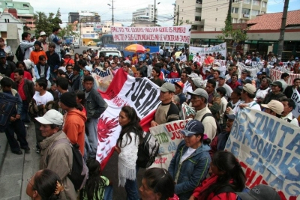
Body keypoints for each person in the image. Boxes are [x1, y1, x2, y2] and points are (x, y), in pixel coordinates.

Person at [36, 109, 77, 199]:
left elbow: (52, 180)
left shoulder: (59, 149)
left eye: (44, 126)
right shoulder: (54, 141)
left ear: (55, 129)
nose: (40, 128)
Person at [168, 120, 211, 200]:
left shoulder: (204, 158)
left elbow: (194, 183)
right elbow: (173, 163)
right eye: (184, 135)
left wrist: (174, 189)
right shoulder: (182, 145)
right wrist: (170, 180)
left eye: (189, 136)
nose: (185, 138)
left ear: (199, 137)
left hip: (185, 196)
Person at [115, 106, 143, 200]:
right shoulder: (129, 128)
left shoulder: (130, 134)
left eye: (122, 117)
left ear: (129, 119)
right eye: (119, 116)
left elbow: (127, 156)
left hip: (130, 166)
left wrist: (118, 151)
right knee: (129, 187)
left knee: (131, 188)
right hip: (131, 165)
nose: (119, 119)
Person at [0, 77, 30, 154]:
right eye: (8, 87)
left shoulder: (14, 92)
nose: (10, 88)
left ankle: (24, 145)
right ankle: (15, 148)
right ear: (3, 87)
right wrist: (8, 117)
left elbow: (19, 102)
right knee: (10, 134)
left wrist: (18, 113)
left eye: (10, 86)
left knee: (21, 132)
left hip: (16, 115)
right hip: (6, 118)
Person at [84, 76, 107, 158]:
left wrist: (94, 114)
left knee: (92, 138)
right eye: (87, 84)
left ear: (93, 84)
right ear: (84, 84)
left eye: (90, 84)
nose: (88, 86)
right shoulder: (84, 92)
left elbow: (104, 106)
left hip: (92, 119)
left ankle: (94, 156)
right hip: (86, 119)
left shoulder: (94, 93)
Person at [33, 78, 54, 153]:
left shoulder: (49, 96)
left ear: (41, 87)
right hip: (37, 118)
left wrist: (39, 108)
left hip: (46, 119)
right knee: (38, 133)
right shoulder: (35, 94)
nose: (35, 87)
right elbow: (33, 106)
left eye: (36, 85)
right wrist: (40, 107)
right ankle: (39, 147)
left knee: (46, 134)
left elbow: (48, 109)